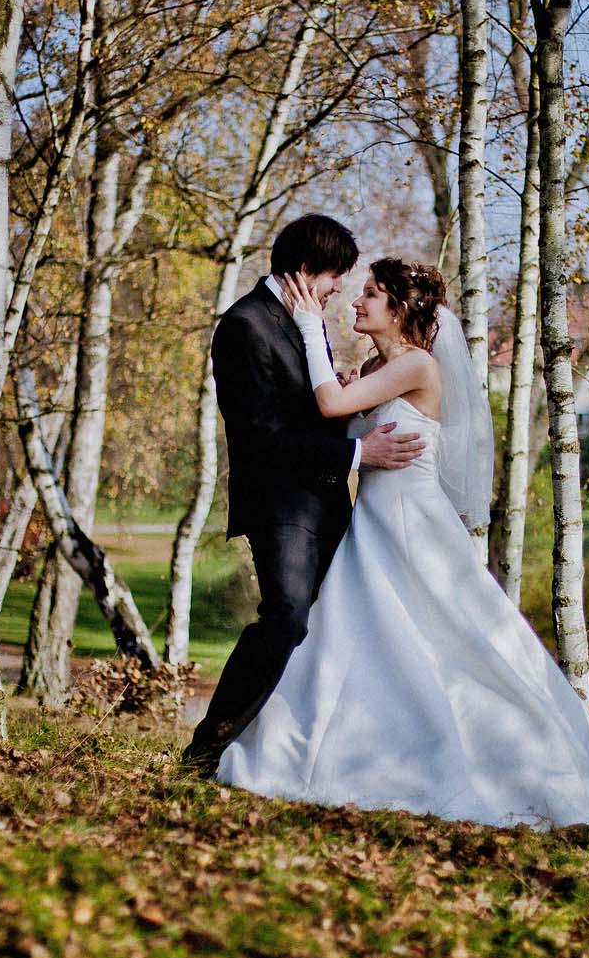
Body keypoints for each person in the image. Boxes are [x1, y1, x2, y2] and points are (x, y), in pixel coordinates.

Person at [215, 257, 589, 835]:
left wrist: (308, 323)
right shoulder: (378, 364)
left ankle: (520, 763)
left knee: (458, 640)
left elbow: (329, 405)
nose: (357, 302)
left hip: (411, 521)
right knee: (368, 639)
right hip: (374, 518)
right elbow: (342, 423)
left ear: (401, 310)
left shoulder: (417, 365)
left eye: (372, 295)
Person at [181, 215, 426, 776]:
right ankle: (208, 747)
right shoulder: (245, 325)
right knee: (287, 618)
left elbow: (310, 408)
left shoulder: (296, 320)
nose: (338, 288)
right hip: (280, 505)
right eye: (334, 276)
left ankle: (304, 757)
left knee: (336, 625)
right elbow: (261, 434)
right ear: (305, 269)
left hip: (326, 500)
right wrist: (361, 454)